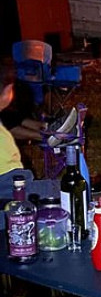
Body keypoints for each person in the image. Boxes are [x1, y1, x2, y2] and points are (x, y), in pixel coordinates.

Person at [0, 61, 62, 218]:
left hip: (11, 189)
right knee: (76, 191)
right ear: (8, 91)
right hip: (12, 197)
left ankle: (49, 130)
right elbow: (11, 188)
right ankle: (49, 135)